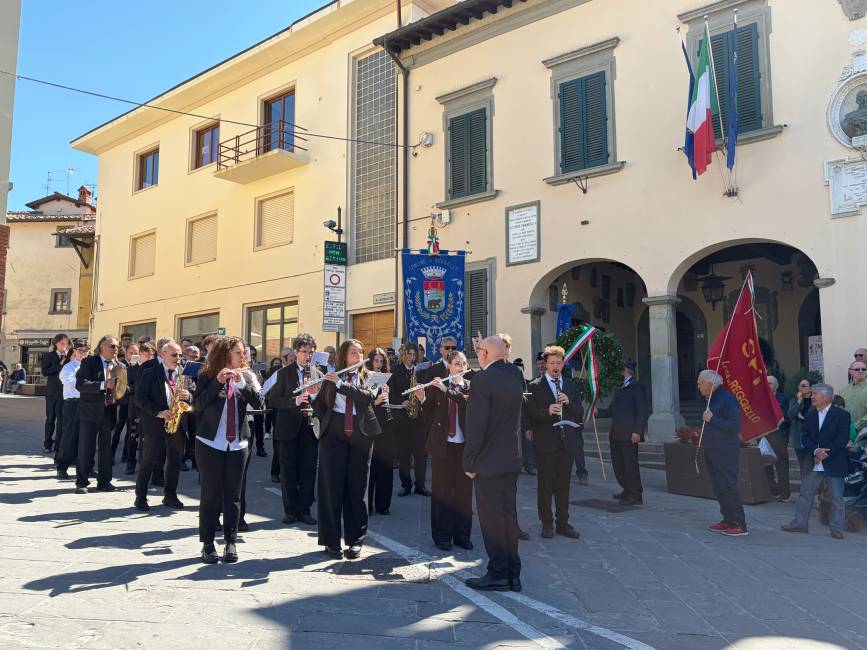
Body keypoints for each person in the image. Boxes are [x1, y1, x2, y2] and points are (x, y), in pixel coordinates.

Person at [194, 336, 263, 564]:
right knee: (211, 494)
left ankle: (231, 541)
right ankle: (207, 544)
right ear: (225, 354)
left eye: (243, 352)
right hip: (210, 443)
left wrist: (243, 383)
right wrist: (217, 382)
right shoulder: (205, 375)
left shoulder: (247, 376)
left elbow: (259, 403)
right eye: (238, 352)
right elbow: (199, 405)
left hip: (238, 443)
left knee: (234, 496)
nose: (243, 356)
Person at [463, 336, 524, 592]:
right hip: (511, 459)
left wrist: (469, 459)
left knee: (491, 520)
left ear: (486, 353)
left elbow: (477, 425)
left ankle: (498, 572)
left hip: (487, 461)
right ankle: (513, 572)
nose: (478, 354)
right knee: (508, 517)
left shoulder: (482, 380)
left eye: (479, 351)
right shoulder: (515, 375)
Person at [313, 339, 381, 560]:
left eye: (361, 353)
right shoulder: (332, 376)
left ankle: (355, 541)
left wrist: (341, 385)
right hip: (333, 432)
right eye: (354, 353)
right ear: (344, 356)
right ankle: (331, 541)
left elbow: (367, 397)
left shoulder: (370, 376)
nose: (359, 357)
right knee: (330, 488)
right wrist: (312, 394)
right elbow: (321, 407)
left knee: (357, 488)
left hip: (361, 434)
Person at [416, 350, 473, 551]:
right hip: (443, 445)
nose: (460, 367)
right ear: (449, 366)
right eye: (456, 363)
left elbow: (465, 403)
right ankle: (442, 536)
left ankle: (462, 535)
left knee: (464, 493)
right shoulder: (439, 386)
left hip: (464, 446)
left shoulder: (470, 387)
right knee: (442, 492)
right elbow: (428, 414)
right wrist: (423, 398)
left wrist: (445, 389)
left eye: (463, 364)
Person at [782, 383, 851, 540]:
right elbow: (805, 436)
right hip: (813, 460)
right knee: (805, 493)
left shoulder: (842, 415)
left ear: (825, 397)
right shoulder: (811, 414)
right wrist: (815, 451)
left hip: (833, 461)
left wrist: (825, 453)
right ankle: (800, 523)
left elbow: (842, 440)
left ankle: (836, 528)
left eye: (815, 394)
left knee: (836, 497)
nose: (811, 396)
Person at [526, 345, 582, 539]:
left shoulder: (571, 385)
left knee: (564, 485)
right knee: (545, 484)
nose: (555, 366)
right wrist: (547, 411)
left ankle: (563, 523)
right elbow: (530, 411)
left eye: (559, 363)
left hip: (567, 442)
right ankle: (547, 523)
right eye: (552, 363)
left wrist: (569, 403)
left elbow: (579, 412)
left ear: (563, 364)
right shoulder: (534, 385)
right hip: (546, 442)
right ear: (546, 364)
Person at [267, 333, 322, 526]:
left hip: (309, 429)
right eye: (304, 352)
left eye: (310, 352)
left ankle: (304, 510)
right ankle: (290, 511)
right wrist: (295, 401)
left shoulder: (317, 374)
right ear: (296, 352)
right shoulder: (283, 373)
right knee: (288, 472)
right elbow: (273, 400)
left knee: (308, 472)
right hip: (288, 429)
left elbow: (324, 404)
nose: (307, 356)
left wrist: (315, 398)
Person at [133, 341, 191, 511]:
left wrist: (189, 395)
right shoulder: (150, 372)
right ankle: (141, 497)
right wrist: (158, 412)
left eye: (180, 355)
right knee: (148, 460)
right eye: (174, 355)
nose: (178, 359)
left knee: (174, 461)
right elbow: (139, 398)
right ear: (163, 354)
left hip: (176, 422)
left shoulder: (181, 372)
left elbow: (191, 394)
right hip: (155, 422)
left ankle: (170, 496)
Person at [698, 369, 747, 537]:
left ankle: (738, 523)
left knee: (727, 485)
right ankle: (727, 518)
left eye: (701, 383)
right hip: (713, 449)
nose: (698, 386)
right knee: (718, 486)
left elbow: (735, 426)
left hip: (725, 449)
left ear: (711, 384)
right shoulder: (712, 398)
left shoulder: (727, 398)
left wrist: (712, 420)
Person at [74, 335, 121, 493]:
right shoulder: (90, 362)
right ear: (102, 347)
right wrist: (103, 385)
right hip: (90, 412)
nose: (116, 349)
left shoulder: (119, 366)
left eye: (117, 346)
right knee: (86, 447)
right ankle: (81, 482)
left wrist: (123, 390)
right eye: (112, 346)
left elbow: (123, 390)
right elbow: (80, 384)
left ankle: (104, 482)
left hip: (109, 411)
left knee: (106, 449)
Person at [608, 360, 649, 506]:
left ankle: (636, 494)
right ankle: (627, 489)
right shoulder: (620, 388)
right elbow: (611, 410)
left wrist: (638, 431)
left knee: (630, 464)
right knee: (619, 464)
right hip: (616, 433)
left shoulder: (636, 387)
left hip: (629, 434)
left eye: (621, 370)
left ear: (626, 371)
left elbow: (642, 411)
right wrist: (597, 412)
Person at [391, 343, 430, 497]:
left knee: (421, 453)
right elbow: (391, 392)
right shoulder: (395, 370)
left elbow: (427, 389)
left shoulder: (421, 370)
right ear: (403, 354)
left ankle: (420, 485)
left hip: (418, 418)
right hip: (402, 417)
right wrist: (401, 402)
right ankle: (405, 484)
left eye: (414, 355)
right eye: (409, 354)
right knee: (403, 454)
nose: (412, 358)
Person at [366, 348, 395, 516]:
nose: (378, 365)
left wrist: (389, 397)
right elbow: (362, 403)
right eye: (376, 361)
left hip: (386, 425)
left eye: (381, 361)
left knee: (385, 466)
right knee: (370, 467)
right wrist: (376, 401)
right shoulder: (365, 378)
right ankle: (367, 504)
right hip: (371, 425)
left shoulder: (386, 379)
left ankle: (383, 504)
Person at [56, 341, 89, 479]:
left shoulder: (89, 367)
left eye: (86, 350)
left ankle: (86, 465)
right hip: (72, 403)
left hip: (86, 403)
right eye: (81, 350)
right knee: (69, 435)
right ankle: (62, 466)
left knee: (86, 436)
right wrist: (87, 385)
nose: (84, 353)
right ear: (75, 351)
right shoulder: (68, 367)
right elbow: (70, 383)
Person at [124, 342, 154, 475]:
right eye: (142, 354)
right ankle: (130, 463)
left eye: (148, 354)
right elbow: (129, 388)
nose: (145, 357)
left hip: (150, 408)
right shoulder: (132, 368)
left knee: (147, 438)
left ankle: (144, 464)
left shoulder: (155, 367)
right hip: (135, 407)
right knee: (133, 436)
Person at [764, 376, 792, 502]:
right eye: (766, 383)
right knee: (765, 465)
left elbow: (787, 417)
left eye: (770, 383)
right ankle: (772, 490)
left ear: (776, 385)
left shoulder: (784, 399)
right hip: (764, 436)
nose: (768, 385)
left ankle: (784, 493)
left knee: (781, 466)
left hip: (779, 436)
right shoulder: (761, 398)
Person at [42, 333, 70, 452]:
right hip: (52, 392)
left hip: (64, 393)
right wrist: (59, 365)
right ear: (56, 343)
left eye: (66, 344)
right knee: (50, 419)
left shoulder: (70, 356)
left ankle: (59, 445)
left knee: (62, 420)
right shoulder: (49, 355)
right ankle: (47, 444)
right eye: (62, 343)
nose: (64, 346)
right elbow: (45, 371)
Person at [110, 343, 138, 463]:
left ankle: (126, 455)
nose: (134, 355)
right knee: (119, 428)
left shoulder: (139, 366)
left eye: (136, 353)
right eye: (131, 352)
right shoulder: (122, 365)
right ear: (126, 354)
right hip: (124, 401)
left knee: (131, 430)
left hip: (134, 402)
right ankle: (111, 454)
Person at [787, 379, 813, 473]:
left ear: (810, 388)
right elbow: (790, 414)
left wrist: (802, 417)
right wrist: (799, 401)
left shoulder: (815, 401)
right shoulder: (794, 401)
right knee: (802, 466)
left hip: (812, 437)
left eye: (804, 386)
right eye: (799, 385)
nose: (800, 388)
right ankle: (805, 486)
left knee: (812, 466)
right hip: (798, 437)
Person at [840, 359, 867, 433]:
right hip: (846, 432)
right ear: (850, 371)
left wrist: (855, 426)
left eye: (864, 369)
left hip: (864, 432)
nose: (861, 371)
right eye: (857, 369)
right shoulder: (843, 391)